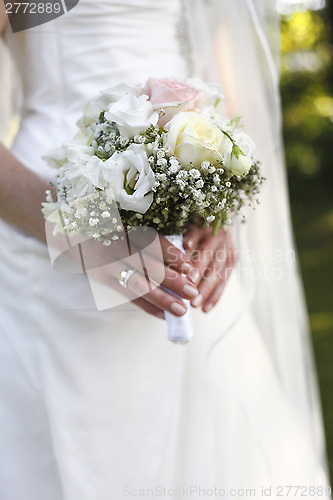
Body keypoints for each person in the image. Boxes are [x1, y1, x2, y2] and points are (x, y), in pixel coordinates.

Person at [0, 1, 330, 499]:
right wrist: (83, 237)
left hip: (188, 240)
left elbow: (220, 89)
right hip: (49, 226)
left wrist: (224, 214)